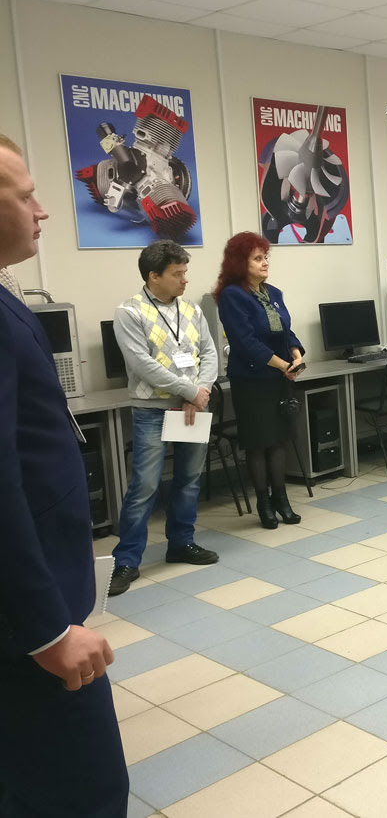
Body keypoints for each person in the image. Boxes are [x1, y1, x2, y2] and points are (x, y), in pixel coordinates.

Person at [0, 133, 128, 815]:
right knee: (83, 788)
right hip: (27, 625)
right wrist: (46, 628)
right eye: (26, 196)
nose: (43, 210)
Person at [109, 241, 220, 596]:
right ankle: (126, 561)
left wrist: (200, 392)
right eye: (177, 274)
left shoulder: (192, 310)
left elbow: (209, 353)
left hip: (192, 408)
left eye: (185, 272)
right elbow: (141, 363)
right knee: (144, 487)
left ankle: (181, 543)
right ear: (153, 276)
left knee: (188, 479)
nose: (185, 280)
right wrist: (190, 391)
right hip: (152, 411)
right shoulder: (130, 312)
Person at [215, 232, 305, 530]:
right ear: (240, 263)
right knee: (258, 443)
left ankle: (282, 499)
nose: (265, 262)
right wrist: (283, 365)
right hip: (251, 380)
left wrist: (296, 355)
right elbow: (245, 342)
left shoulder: (273, 293)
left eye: (266, 257)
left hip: (279, 378)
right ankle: (264, 503)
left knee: (278, 440)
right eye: (257, 258)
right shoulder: (232, 296)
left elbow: (286, 332)